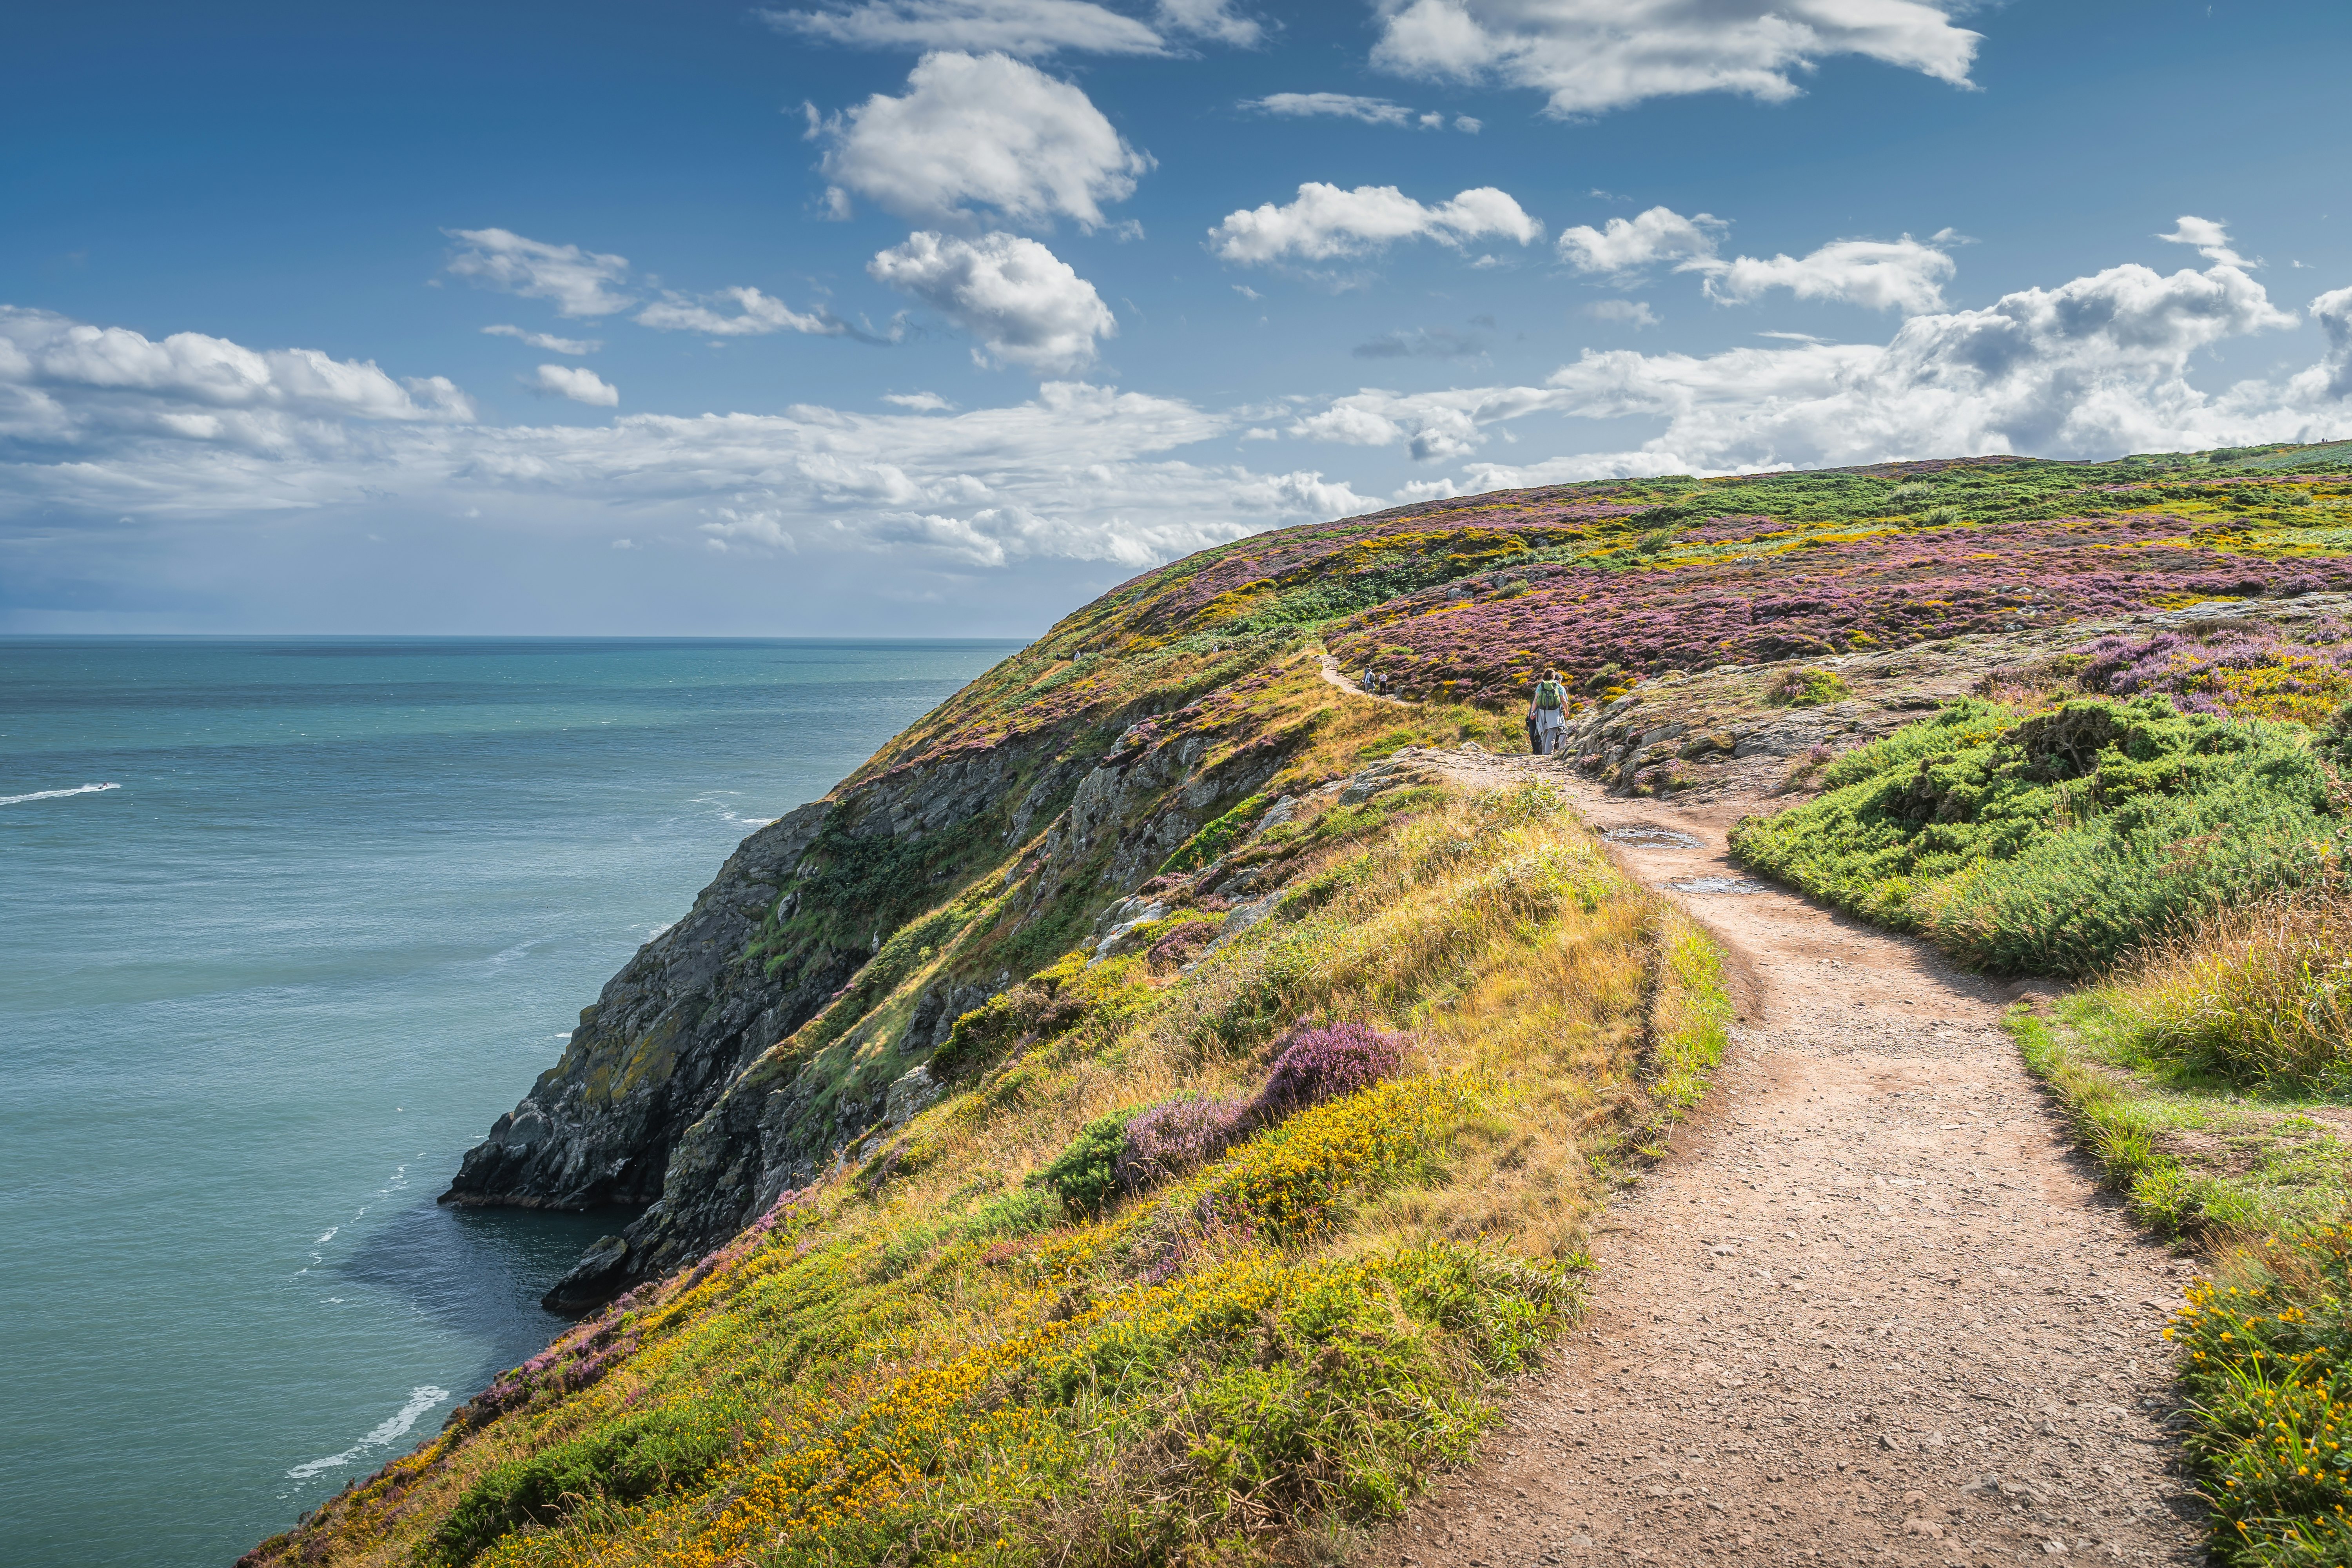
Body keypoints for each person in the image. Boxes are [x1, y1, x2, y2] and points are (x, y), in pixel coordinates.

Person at [1527, 666, 1570, 756]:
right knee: (1552, 732)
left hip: (1542, 712)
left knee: (1544, 731)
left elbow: (1535, 700)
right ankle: (1548, 753)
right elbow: (1563, 701)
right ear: (1553, 677)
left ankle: (1544, 752)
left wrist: (1532, 712)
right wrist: (1567, 711)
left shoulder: (1541, 686)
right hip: (1554, 712)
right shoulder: (1558, 686)